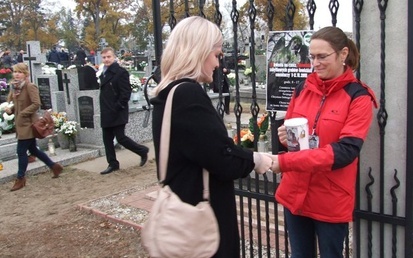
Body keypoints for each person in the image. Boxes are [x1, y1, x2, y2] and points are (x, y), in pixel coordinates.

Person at [150, 16, 273, 258]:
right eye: (216, 55)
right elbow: (222, 158)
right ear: (197, 52)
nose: (218, 64)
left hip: (182, 203)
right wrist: (256, 160)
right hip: (201, 213)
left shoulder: (168, 92)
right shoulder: (187, 94)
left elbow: (202, 148)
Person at [266, 26, 378, 257]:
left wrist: (285, 162)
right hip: (296, 192)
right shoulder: (303, 89)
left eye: (322, 56)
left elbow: (346, 151)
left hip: (330, 197)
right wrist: (286, 140)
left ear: (343, 54)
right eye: (312, 56)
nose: (315, 63)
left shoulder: (358, 97)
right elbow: (296, 138)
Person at [4, 63, 63, 191]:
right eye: (15, 72)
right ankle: (54, 166)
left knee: (21, 151)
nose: (16, 74)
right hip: (21, 124)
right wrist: (12, 109)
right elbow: (18, 104)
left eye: (19, 72)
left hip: (28, 124)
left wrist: (23, 113)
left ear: (25, 74)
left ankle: (20, 178)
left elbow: (36, 104)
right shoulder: (16, 88)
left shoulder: (30, 87)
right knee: (33, 150)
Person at [98, 47, 149, 175]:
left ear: (114, 57)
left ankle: (142, 151)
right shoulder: (103, 72)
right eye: (104, 57)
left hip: (116, 111)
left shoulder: (120, 72)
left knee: (120, 138)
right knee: (107, 139)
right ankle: (113, 163)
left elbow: (125, 93)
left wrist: (117, 106)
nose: (106, 59)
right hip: (106, 111)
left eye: (109, 57)